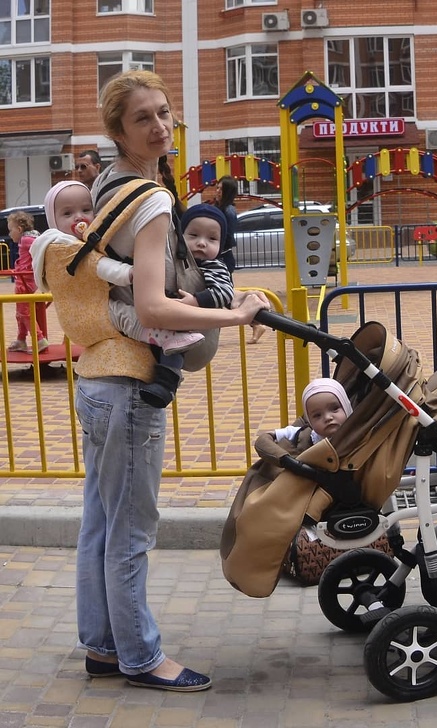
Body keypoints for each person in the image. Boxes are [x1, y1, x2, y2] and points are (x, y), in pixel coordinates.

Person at [74, 69, 269, 693]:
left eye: (164, 114)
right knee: (129, 530)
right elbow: (155, 307)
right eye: (142, 118)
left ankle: (104, 647)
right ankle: (140, 657)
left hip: (98, 376)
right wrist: (233, 314)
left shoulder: (108, 185)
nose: (159, 127)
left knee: (101, 522)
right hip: (131, 384)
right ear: (117, 130)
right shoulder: (153, 201)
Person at [31, 181, 205, 409]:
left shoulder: (71, 242)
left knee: (120, 314)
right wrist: (132, 273)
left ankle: (168, 349)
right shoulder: (62, 245)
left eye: (86, 210)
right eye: (67, 213)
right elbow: (99, 266)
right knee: (123, 315)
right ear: (52, 219)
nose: (78, 217)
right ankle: (165, 337)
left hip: (85, 309)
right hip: (87, 310)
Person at [138, 203, 235, 408]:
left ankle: (167, 384)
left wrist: (197, 301)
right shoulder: (173, 260)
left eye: (212, 239)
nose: (201, 243)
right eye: (193, 235)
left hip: (191, 330)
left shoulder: (214, 266)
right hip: (161, 324)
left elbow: (225, 292)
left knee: (176, 346)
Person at [212, 175, 267, 344]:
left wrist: (214, 249)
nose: (217, 191)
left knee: (227, 296)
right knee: (224, 296)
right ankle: (255, 322)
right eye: (217, 188)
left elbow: (227, 237)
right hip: (221, 257)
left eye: (221, 188)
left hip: (223, 258)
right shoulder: (221, 208)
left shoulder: (228, 211)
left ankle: (256, 321)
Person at [265, 377, 353, 450]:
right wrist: (274, 434)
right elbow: (293, 432)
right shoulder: (311, 437)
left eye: (334, 409)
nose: (328, 417)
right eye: (317, 415)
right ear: (309, 421)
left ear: (346, 407)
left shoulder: (358, 433)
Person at [7, 210, 48, 353]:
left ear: (19, 229)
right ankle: (21, 340)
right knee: (21, 312)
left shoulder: (26, 240)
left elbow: (41, 248)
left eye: (10, 230)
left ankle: (39, 339)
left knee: (24, 313)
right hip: (25, 279)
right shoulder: (27, 239)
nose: (9, 234)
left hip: (24, 281)